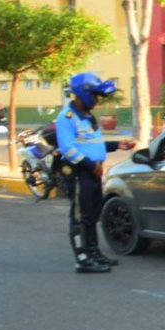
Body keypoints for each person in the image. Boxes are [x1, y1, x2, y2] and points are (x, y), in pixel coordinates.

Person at [56, 73, 136, 274]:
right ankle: (82, 259)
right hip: (78, 172)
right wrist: (91, 166)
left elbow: (93, 143)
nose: (97, 100)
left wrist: (117, 145)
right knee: (80, 216)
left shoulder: (88, 117)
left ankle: (93, 252)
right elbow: (67, 148)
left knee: (92, 215)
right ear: (83, 94)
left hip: (92, 172)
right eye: (95, 95)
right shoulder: (67, 117)